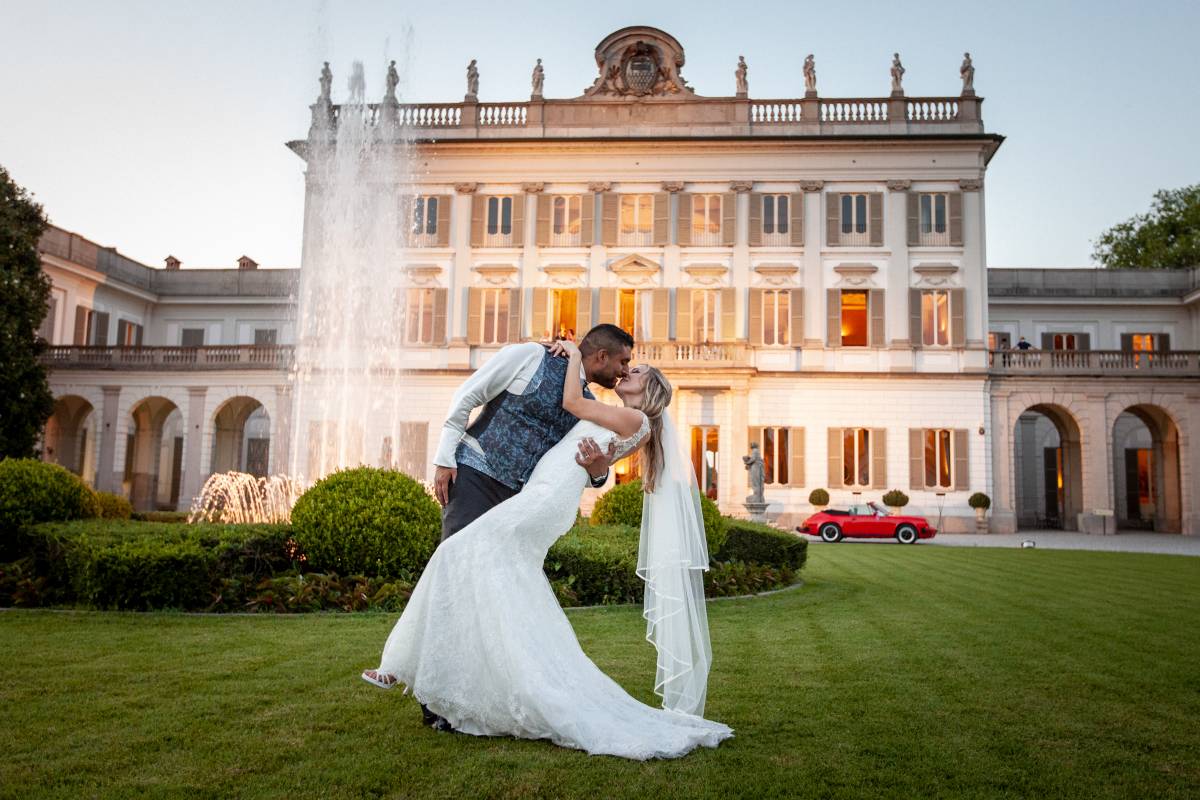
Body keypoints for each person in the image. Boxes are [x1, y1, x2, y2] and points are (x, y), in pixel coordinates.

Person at [361, 330, 732, 759]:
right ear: (603, 355)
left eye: (635, 369)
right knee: (491, 578)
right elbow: (479, 399)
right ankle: (443, 687)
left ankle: (404, 670)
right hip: (494, 477)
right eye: (625, 362)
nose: (627, 369)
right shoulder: (542, 364)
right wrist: (446, 456)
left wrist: (573, 358)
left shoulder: (627, 416)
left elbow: (582, 429)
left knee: (457, 556)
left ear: (646, 388)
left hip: (539, 498)